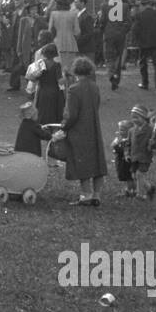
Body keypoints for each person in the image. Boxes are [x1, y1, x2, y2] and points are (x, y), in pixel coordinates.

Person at [53, 57, 109, 206]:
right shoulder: (94, 86)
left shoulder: (74, 89)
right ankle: (97, 195)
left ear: (75, 71)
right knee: (97, 160)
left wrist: (63, 127)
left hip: (79, 129)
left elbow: (71, 114)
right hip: (93, 126)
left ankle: (86, 195)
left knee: (82, 159)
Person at [131, 0, 156, 96]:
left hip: (144, 43)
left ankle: (145, 83)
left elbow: (135, 29)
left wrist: (137, 40)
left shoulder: (139, 15)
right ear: (151, 4)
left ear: (143, 5)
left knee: (143, 63)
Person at [99, 0, 130, 90]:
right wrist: (123, 31)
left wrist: (104, 30)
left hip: (109, 34)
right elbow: (129, 22)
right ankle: (116, 78)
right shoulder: (125, 6)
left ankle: (111, 74)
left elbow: (102, 21)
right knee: (118, 56)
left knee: (108, 56)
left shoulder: (104, 6)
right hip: (120, 35)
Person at [127, 104, 156, 200]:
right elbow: (128, 143)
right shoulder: (131, 130)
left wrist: (153, 145)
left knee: (140, 174)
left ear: (144, 117)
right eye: (133, 118)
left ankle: (140, 194)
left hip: (144, 156)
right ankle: (149, 188)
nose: (134, 120)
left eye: (137, 117)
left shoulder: (150, 130)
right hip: (134, 156)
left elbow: (155, 143)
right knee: (134, 175)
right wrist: (127, 153)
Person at [110, 119, 134, 198]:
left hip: (126, 161)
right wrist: (116, 142)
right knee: (126, 176)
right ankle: (130, 190)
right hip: (120, 160)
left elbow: (122, 150)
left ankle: (130, 191)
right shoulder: (120, 139)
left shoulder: (128, 141)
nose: (120, 131)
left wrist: (117, 145)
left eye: (123, 130)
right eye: (120, 129)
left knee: (128, 177)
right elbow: (112, 145)